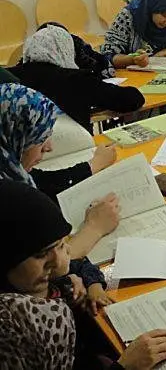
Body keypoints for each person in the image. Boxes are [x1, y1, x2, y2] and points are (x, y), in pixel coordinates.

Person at [0, 180, 166, 369]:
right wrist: (125, 366)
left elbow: (77, 264)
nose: (59, 262)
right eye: (40, 255)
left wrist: (93, 285)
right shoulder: (13, 330)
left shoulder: (43, 279)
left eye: (62, 245)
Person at [0, 83, 120, 259]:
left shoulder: (9, 170)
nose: (49, 147)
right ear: (14, 135)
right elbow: (49, 265)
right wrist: (94, 228)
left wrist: (92, 165)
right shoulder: (7, 199)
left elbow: (44, 182)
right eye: (39, 138)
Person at [9, 25, 145, 132]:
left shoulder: (9, 76)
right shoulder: (75, 79)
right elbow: (132, 99)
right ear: (66, 50)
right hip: (69, 152)